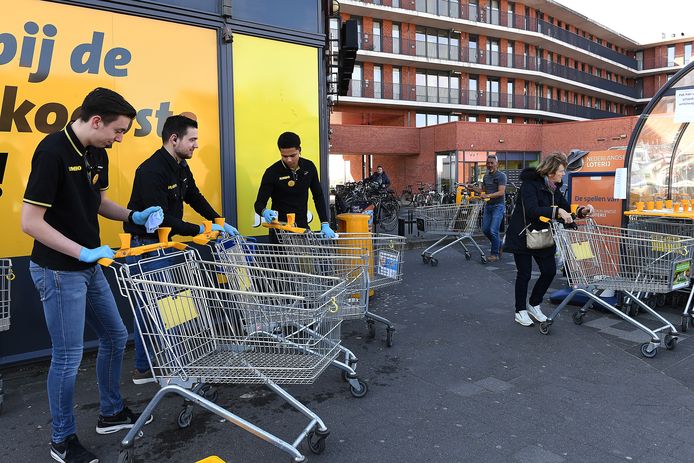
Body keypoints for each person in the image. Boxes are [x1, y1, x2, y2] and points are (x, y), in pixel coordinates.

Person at [22, 88, 159, 463]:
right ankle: (61, 440)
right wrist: (82, 251)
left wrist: (134, 215)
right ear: (95, 121)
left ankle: (110, 412)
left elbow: (97, 201)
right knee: (67, 357)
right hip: (57, 269)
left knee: (116, 336)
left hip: (89, 265)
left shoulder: (96, 152)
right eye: (117, 131)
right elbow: (30, 222)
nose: (119, 140)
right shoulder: (52, 152)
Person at [124, 113, 238, 384]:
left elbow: (193, 196)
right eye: (193, 139)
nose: (196, 145)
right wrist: (199, 229)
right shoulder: (151, 171)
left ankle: (147, 366)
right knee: (160, 308)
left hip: (164, 245)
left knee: (157, 307)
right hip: (147, 247)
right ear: (174, 139)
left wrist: (218, 221)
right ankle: (169, 366)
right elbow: (161, 217)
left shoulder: (180, 165)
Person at [503, 153, 594, 327]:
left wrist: (582, 211)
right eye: (561, 171)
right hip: (523, 235)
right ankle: (520, 310)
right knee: (525, 274)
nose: (563, 174)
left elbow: (566, 208)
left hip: (543, 235)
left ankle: (534, 304)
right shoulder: (530, 185)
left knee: (549, 271)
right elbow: (531, 210)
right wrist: (556, 212)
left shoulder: (554, 188)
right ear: (551, 171)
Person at [254, 131, 335, 240]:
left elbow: (318, 196)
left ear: (299, 150)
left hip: (301, 229)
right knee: (279, 257)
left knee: (304, 257)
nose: (289, 160)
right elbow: (259, 204)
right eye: (284, 156)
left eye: (293, 155)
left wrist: (324, 223)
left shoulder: (309, 167)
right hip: (279, 232)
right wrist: (264, 211)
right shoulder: (272, 172)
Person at [479, 155, 506, 262]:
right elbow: (483, 191)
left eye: (491, 163)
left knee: (493, 230)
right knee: (485, 230)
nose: (489, 165)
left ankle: (495, 254)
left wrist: (488, 196)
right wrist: (471, 188)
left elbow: (501, 192)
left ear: (496, 164)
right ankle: (499, 244)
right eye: (488, 163)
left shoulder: (501, 176)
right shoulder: (485, 177)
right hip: (488, 206)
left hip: (498, 206)